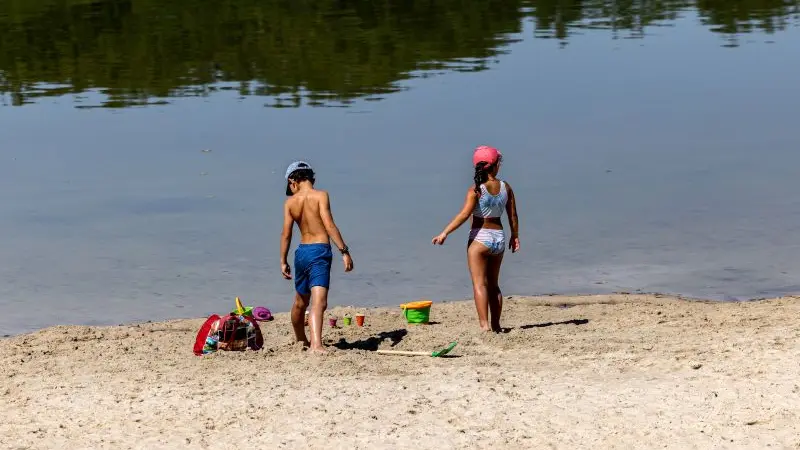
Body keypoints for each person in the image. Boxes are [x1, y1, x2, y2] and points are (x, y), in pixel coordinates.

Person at [432, 146, 519, 332]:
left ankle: (484, 326)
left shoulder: (476, 190)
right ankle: (497, 325)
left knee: (480, 284)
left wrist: (445, 232)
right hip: (499, 238)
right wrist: (515, 236)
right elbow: (513, 215)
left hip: (480, 238)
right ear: (494, 165)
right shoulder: (506, 187)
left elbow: (464, 215)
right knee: (494, 285)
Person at [280, 161, 353, 353]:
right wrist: (344, 251)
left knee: (300, 301)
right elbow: (329, 225)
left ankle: (301, 339)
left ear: (293, 181)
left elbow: (286, 234)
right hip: (319, 252)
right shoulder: (321, 196)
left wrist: (283, 260)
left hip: (301, 252)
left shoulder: (290, 203)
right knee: (319, 302)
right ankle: (316, 345)